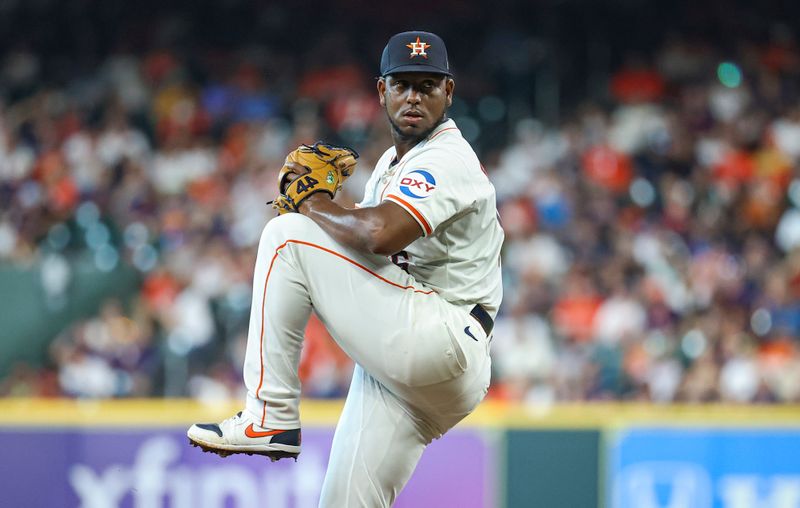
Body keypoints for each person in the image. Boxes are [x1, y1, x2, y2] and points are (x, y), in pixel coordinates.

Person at [188, 30, 504, 507]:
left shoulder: (446, 156)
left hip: (441, 336)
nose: (414, 96)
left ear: (449, 93)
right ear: (382, 92)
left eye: (427, 85)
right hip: (417, 365)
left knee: (285, 235)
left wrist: (313, 202)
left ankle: (269, 413)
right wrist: (331, 208)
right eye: (402, 85)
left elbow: (380, 234)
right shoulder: (392, 167)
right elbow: (365, 245)